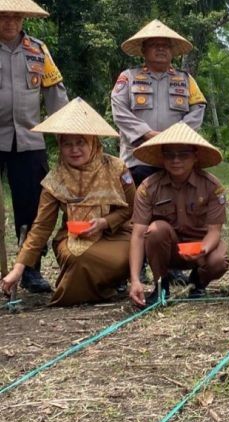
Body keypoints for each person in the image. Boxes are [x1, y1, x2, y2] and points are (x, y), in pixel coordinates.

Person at [0, 98, 132, 306]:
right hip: (73, 238)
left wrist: (104, 223)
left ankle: (110, 280)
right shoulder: (55, 179)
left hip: (115, 235)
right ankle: (103, 287)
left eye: (80, 142)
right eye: (67, 144)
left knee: (122, 257)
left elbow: (131, 210)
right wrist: (19, 268)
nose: (74, 150)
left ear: (93, 142)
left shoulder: (116, 168)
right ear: (60, 146)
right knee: (79, 258)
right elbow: (41, 228)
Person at [0, 0, 69, 293]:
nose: (10, 22)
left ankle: (29, 270)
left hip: (29, 140)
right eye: (3, 16)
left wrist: (66, 133)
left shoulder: (38, 51)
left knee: (32, 207)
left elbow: (56, 94)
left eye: (16, 17)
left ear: (23, 19)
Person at [127, 122, 228, 306]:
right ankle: (161, 285)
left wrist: (202, 249)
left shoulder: (212, 187)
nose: (176, 160)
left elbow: (214, 231)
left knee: (219, 260)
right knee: (156, 230)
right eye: (170, 155)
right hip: (168, 249)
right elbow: (138, 234)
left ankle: (198, 282)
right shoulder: (148, 188)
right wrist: (135, 279)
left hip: (200, 248)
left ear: (195, 157)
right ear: (162, 158)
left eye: (183, 154)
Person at [111, 19, 206, 186]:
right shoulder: (128, 77)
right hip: (136, 160)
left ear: (172, 51)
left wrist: (175, 136)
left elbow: (198, 110)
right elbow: (119, 111)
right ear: (143, 50)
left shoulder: (185, 79)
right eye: (154, 44)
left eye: (166, 45)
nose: (161, 48)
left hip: (176, 159)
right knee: (136, 208)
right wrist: (147, 134)